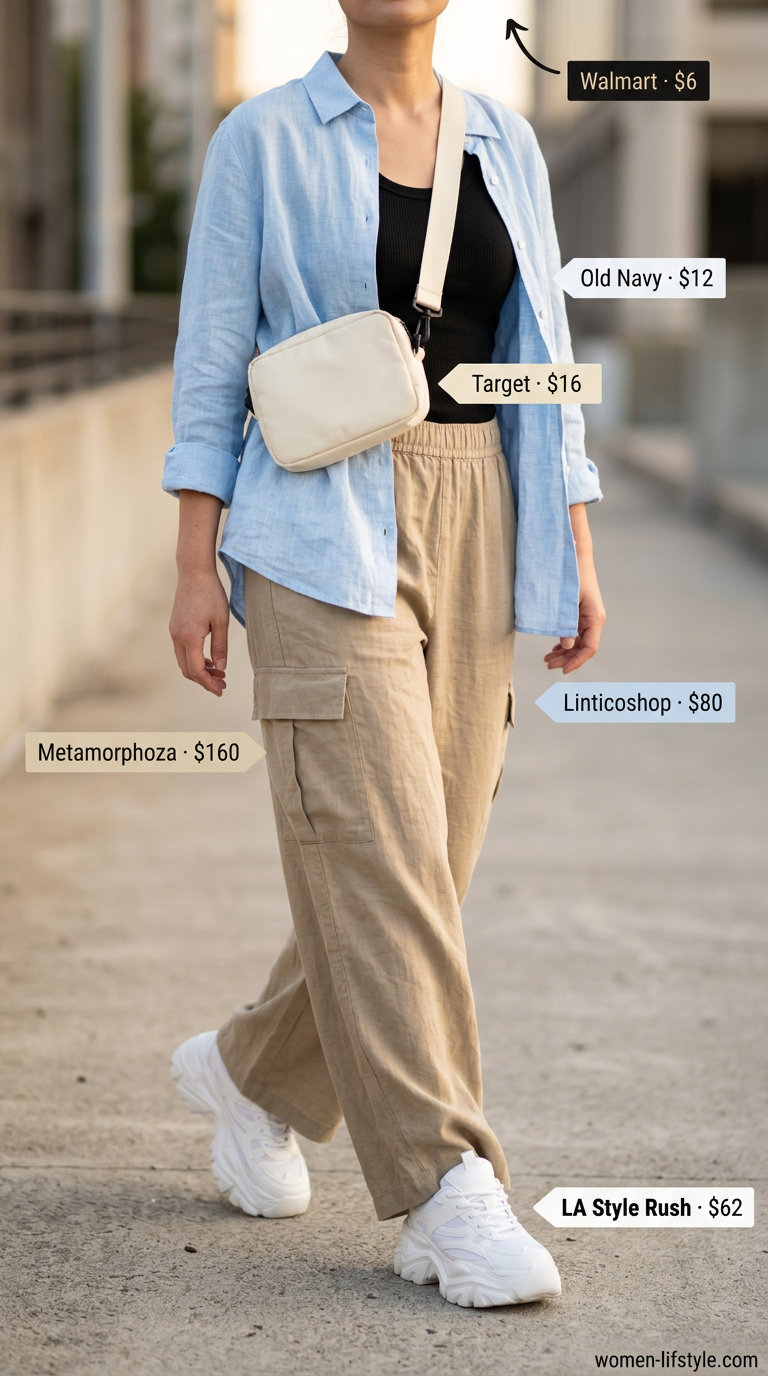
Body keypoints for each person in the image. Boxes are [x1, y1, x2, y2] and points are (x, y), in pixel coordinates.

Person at [162, 0, 606, 1310]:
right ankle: (444, 1189)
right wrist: (198, 560)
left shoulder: (506, 145)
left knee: (427, 864)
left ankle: (250, 1073)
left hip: (481, 502)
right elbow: (211, 358)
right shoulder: (263, 139)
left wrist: (573, 537)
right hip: (313, 516)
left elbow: (547, 353)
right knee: (382, 848)